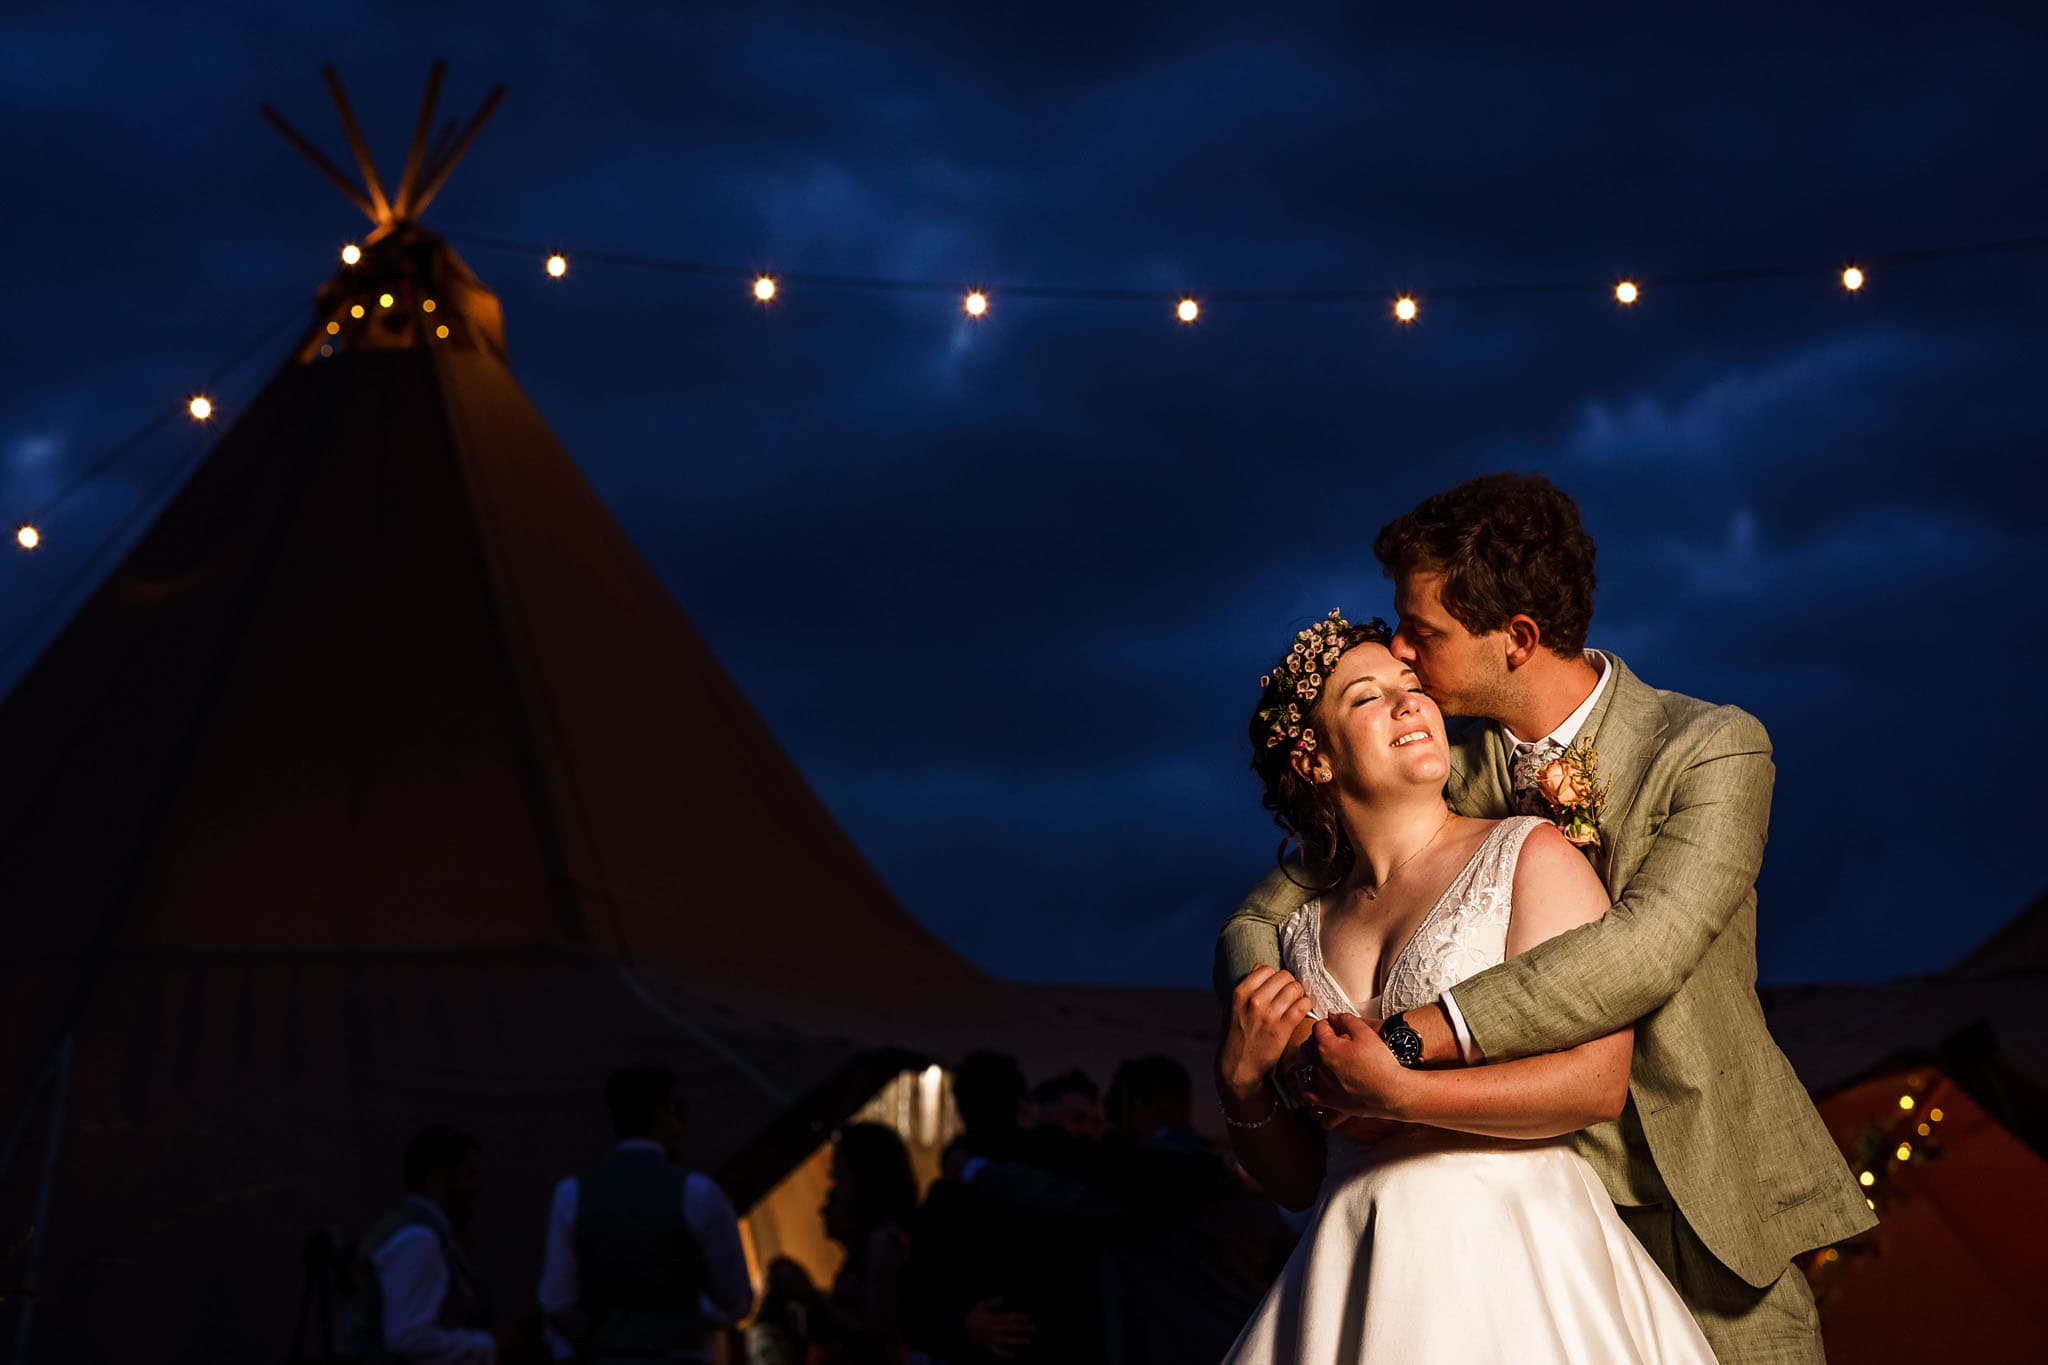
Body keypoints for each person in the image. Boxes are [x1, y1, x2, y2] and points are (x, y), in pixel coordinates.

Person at [1216, 473, 1874, 1362]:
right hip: (1525, 1219)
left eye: (1422, 633)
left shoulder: (1710, 749)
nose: (1402, 650)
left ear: (1518, 638)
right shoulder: (1451, 769)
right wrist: (1285, 1038)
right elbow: (1264, 911)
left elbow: (1644, 949)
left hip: (1709, 1206)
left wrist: (1407, 1042)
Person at [1218, 614, 1713, 1362]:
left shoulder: (1528, 854)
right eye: (1367, 696)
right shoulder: (1296, 933)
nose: (1408, 702)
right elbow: (1299, 1182)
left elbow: (1596, 1085)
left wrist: (1401, 1094)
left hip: (1514, 1257)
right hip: (1353, 1267)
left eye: (1411, 685)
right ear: (1315, 759)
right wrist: (1241, 1085)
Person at [538, 1065, 753, 1363]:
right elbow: (735, 1298)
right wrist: (690, 1321)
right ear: (662, 1112)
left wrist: (599, 1337)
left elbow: (556, 1302)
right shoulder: (698, 1192)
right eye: (675, 1110)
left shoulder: (571, 1194)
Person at [359, 1125, 517, 1365]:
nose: (477, 1187)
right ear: (438, 1177)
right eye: (469, 1175)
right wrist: (489, 1344)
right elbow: (409, 1337)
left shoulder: (416, 1232)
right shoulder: (418, 1238)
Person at [782, 1122, 919, 1364]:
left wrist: (812, 1298)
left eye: (838, 1180)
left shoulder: (883, 1244)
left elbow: (876, 1335)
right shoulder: (873, 1246)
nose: (831, 1194)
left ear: (863, 1180)